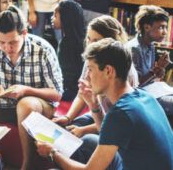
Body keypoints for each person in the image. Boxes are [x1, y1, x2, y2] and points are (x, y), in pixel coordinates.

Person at [36, 38, 173, 170]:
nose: (87, 76)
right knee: (89, 140)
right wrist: (94, 106)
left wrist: (52, 152)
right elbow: (110, 133)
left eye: (90, 69)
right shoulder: (144, 96)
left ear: (108, 71)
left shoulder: (121, 114)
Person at [0, 5, 63, 170]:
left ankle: (27, 165)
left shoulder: (43, 50)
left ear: (24, 33)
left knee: (25, 104)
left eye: (13, 42)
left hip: (36, 106)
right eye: (1, 42)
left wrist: (26, 90)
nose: (7, 48)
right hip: (0, 104)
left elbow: (57, 94)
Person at [53, 15, 138, 138]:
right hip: (98, 112)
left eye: (96, 41)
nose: (90, 45)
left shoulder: (124, 70)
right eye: (88, 39)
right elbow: (82, 94)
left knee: (83, 137)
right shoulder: (92, 59)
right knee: (69, 127)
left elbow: (115, 122)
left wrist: (84, 130)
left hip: (115, 121)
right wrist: (68, 117)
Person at [127, 5, 173, 115]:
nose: (165, 32)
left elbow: (151, 77)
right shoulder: (134, 49)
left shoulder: (151, 45)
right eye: (161, 27)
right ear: (147, 27)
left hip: (152, 90)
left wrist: (159, 72)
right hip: (139, 96)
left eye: (166, 27)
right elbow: (134, 85)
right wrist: (156, 70)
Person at [53, 0, 85, 101]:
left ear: (65, 18)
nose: (52, 18)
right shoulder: (82, 38)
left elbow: (65, 78)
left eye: (55, 16)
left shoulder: (66, 44)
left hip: (71, 93)